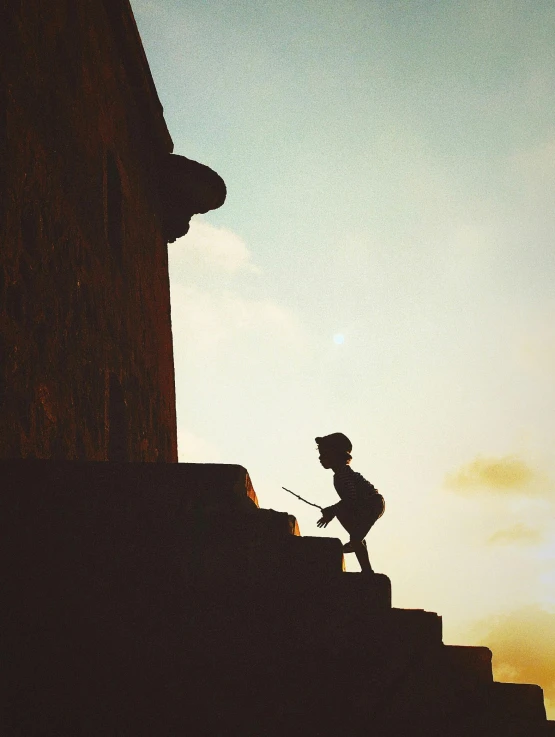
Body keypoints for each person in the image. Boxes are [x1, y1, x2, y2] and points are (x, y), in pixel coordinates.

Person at [315, 433, 384, 574]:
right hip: (367, 505)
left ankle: (366, 569)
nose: (320, 458)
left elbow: (351, 498)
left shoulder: (343, 475)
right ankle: (360, 554)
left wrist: (332, 510)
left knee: (356, 537)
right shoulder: (340, 474)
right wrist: (333, 511)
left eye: (324, 454)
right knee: (356, 535)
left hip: (371, 504)